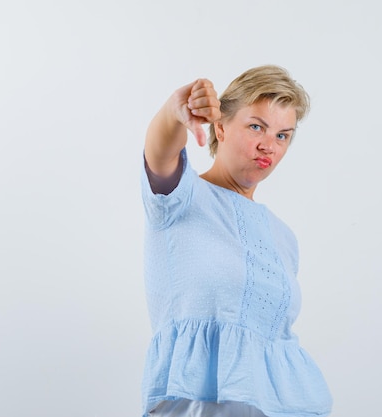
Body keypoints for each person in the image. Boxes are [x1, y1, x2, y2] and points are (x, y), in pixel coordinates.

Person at [139, 65, 332, 417]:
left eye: (282, 135)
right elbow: (160, 152)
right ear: (221, 126)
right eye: (256, 126)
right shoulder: (181, 197)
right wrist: (173, 112)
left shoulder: (283, 236)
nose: (267, 145)